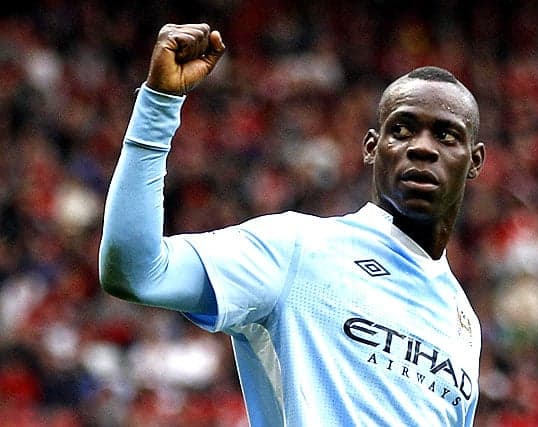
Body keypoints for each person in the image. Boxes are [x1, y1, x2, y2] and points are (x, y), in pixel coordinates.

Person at [99, 22, 486, 426]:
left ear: (474, 160)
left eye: (445, 135)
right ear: (372, 148)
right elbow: (136, 271)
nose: (422, 148)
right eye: (402, 130)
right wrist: (159, 105)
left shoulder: (464, 324)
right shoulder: (299, 248)